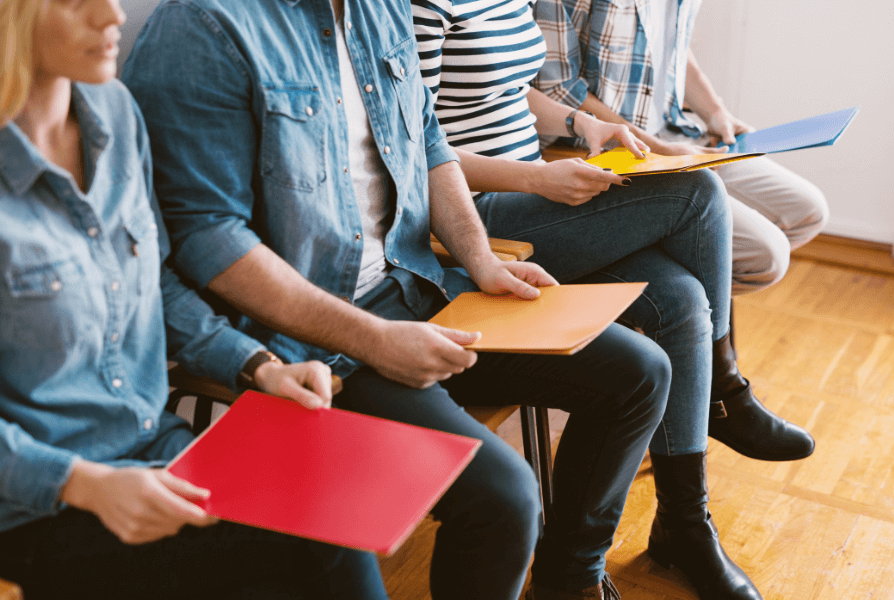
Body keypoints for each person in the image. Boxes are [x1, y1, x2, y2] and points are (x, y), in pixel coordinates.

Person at [122, 0, 673, 599]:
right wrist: (373, 340)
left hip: (415, 284)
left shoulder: (378, 8)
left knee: (639, 374)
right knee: (503, 499)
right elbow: (207, 239)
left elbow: (428, 140)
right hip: (315, 342)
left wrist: (481, 259)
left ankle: (569, 582)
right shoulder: (203, 27)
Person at [410, 0, 808, 598]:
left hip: (530, 181)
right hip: (474, 211)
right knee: (696, 191)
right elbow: (415, 146)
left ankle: (682, 525)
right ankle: (726, 393)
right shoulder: (418, 8)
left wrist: (582, 127)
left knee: (681, 298)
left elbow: (510, 88)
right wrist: (537, 179)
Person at [0, 0, 390, 598]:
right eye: (76, 2)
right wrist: (83, 484)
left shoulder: (114, 112)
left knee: (332, 517)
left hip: (152, 449)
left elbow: (152, 285)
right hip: (34, 504)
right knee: (324, 553)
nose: (112, 15)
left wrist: (256, 364)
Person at [533, 0, 830, 297]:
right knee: (764, 257)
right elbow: (559, 88)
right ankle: (672, 309)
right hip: (601, 151)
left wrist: (716, 113)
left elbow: (676, 48)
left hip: (675, 134)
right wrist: (655, 148)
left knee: (807, 211)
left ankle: (677, 297)